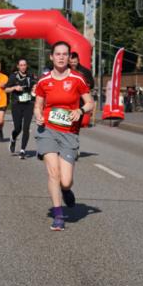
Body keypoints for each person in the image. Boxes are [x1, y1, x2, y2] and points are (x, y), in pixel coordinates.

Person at [34, 41, 94, 231]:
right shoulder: (44, 81)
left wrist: (80, 110)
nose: (61, 57)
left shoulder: (77, 78)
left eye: (64, 54)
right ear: (51, 57)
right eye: (57, 54)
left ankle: (66, 190)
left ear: (69, 58)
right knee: (53, 173)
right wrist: (38, 115)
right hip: (47, 130)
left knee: (65, 180)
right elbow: (38, 105)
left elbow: (90, 102)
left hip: (69, 132)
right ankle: (58, 215)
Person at [8, 58, 36, 159]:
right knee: (18, 128)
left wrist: (34, 89)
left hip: (29, 104)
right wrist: (14, 88)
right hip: (17, 104)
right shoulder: (13, 76)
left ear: (26, 66)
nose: (23, 67)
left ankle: (22, 150)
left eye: (24, 65)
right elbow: (6, 89)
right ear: (18, 66)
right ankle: (13, 138)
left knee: (26, 128)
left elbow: (35, 86)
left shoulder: (31, 76)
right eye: (21, 65)